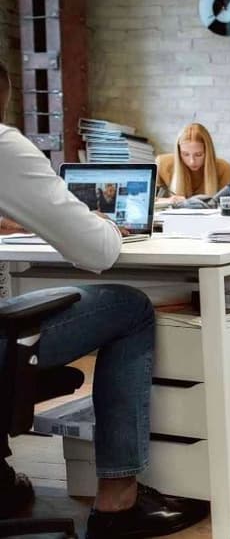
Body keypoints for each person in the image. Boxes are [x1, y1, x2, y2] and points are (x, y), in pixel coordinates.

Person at [0, 61, 207, 536]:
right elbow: (96, 251)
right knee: (129, 307)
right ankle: (118, 501)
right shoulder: (3, 144)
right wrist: (106, 224)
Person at [154, 123, 230, 207]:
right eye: (185, 154)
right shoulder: (162, 163)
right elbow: (146, 199)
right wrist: (168, 200)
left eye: (198, 155)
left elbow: (228, 204)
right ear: (179, 152)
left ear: (208, 152)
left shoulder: (224, 168)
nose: (192, 161)